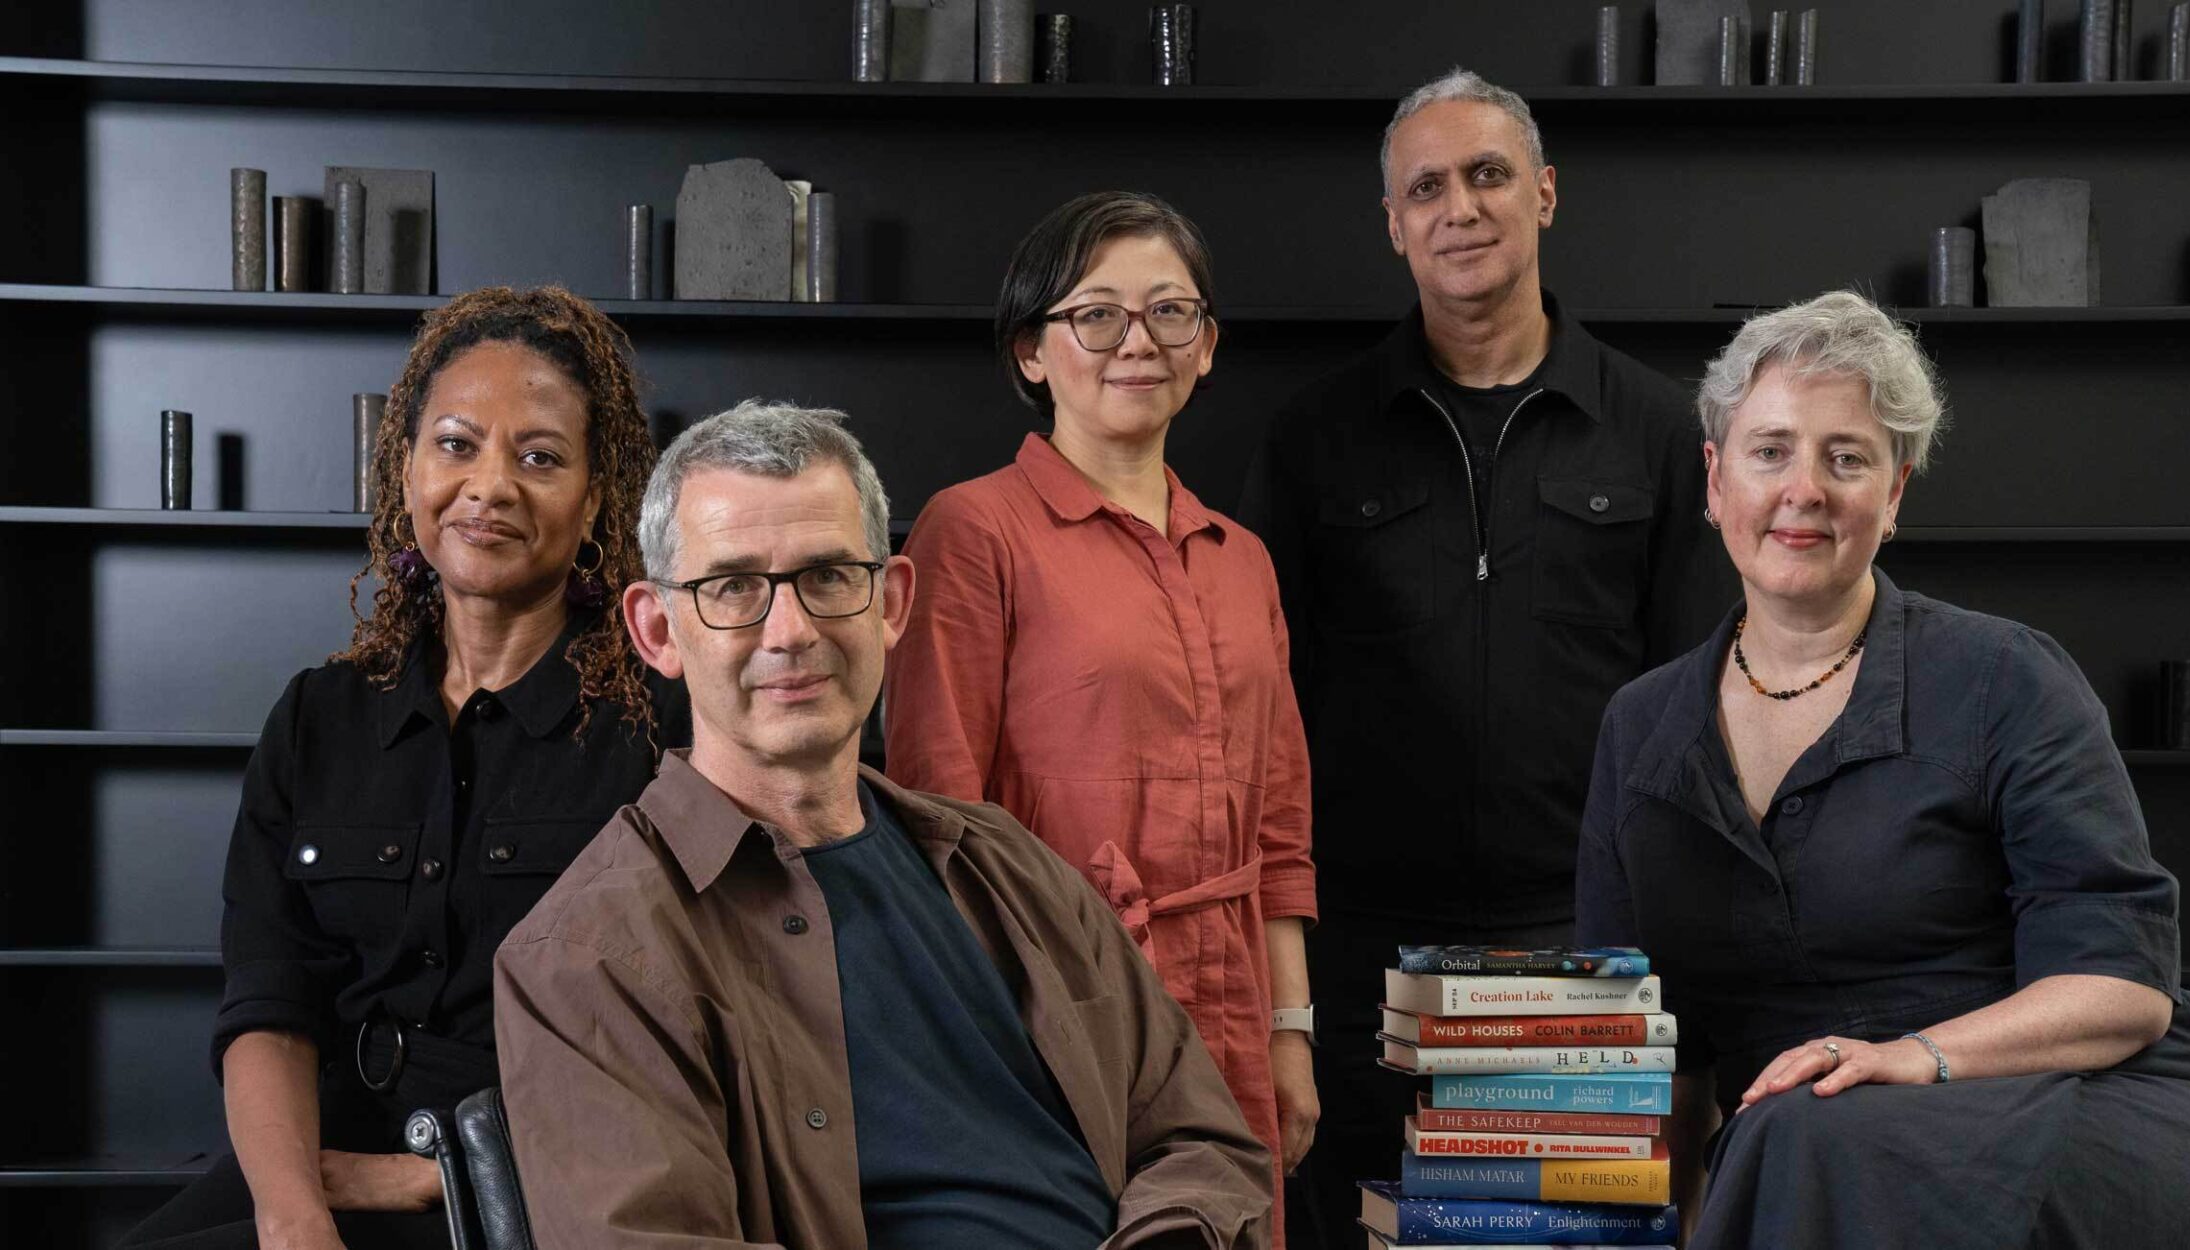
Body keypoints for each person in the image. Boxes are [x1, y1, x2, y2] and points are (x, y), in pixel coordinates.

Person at [1575, 291, 2190, 1247]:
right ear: (1713, 481)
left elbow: (2123, 986)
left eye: (1847, 457)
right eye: (1770, 449)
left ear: (1895, 493)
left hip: (2076, 1106)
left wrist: (1912, 1058)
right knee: (1799, 1135)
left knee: (1811, 1135)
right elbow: (1648, 1051)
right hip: (1804, 1145)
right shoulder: (1641, 727)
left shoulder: (2006, 676)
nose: (1805, 488)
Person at [492, 400, 1275, 1247]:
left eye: (828, 576)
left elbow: (1205, 1139)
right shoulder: (584, 957)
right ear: (656, 630)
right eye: (733, 588)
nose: (790, 632)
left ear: (892, 602)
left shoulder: (1005, 864)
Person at [1237, 69, 1735, 1243]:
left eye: (1488, 173)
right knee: (1365, 1231)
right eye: (1427, 187)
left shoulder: (1657, 429)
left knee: (1547, 1240)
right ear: (1395, 225)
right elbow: (1258, 698)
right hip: (1360, 945)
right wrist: (1290, 993)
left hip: (1570, 941)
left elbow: (1696, 703)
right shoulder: (1315, 436)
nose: (1459, 206)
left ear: (1546, 194)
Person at [122, 286, 686, 1250]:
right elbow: (267, 1003)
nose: (491, 485)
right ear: (406, 466)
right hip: (320, 1154)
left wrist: (432, 1179)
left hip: (537, 1186)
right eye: (456, 444)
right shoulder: (317, 718)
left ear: (595, 498)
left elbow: (673, 1040)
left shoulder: (657, 729)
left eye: (540, 456)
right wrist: (295, 1211)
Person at [883, 190, 1317, 1240]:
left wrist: (1291, 1031)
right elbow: (938, 818)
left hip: (1233, 1009)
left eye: (1171, 313)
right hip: (1058, 1008)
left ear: (1206, 348)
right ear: (1032, 349)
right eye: (1098, 313)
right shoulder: (972, 529)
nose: (1139, 341)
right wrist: (999, 1040)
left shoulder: (1242, 557)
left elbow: (1280, 821)